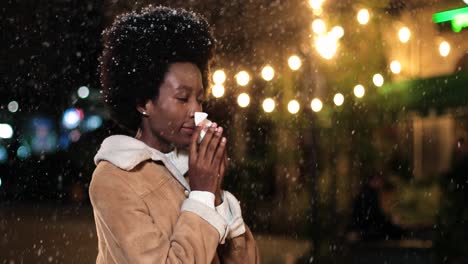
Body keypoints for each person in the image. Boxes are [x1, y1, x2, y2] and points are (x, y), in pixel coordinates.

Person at [89, 6, 260, 263]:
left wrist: (215, 195)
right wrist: (202, 196)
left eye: (200, 100)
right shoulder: (114, 179)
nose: (196, 111)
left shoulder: (194, 169)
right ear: (143, 102)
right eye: (182, 98)